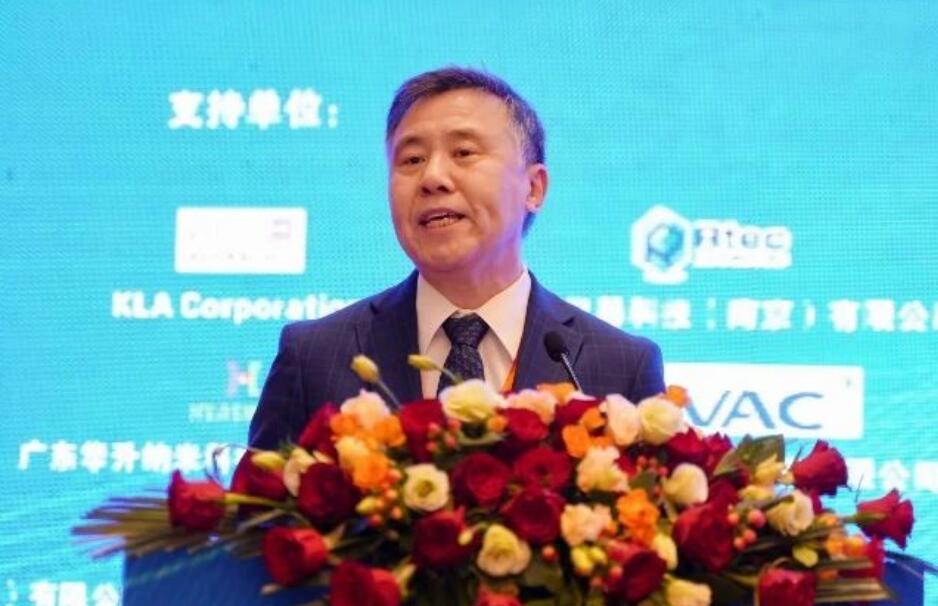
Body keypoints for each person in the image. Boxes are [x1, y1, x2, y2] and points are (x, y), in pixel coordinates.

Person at [248, 67, 664, 449]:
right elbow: (257, 507)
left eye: (464, 153)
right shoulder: (315, 356)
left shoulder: (619, 367)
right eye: (411, 160)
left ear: (533, 188)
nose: (432, 178)